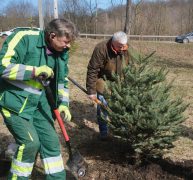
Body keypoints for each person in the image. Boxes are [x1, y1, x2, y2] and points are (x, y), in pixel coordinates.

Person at [0, 18, 78, 179]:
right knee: (30, 144)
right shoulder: (24, 37)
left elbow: (62, 81)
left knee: (51, 144)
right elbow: (2, 66)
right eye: (66, 41)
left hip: (41, 105)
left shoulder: (62, 53)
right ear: (52, 35)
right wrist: (34, 71)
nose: (68, 46)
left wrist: (63, 103)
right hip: (16, 104)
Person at [86, 31, 129, 140]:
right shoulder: (101, 48)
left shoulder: (126, 47)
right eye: (120, 46)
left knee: (122, 109)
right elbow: (93, 69)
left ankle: (123, 134)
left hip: (122, 82)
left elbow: (134, 65)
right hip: (104, 81)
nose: (123, 48)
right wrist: (91, 91)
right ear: (113, 42)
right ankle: (104, 134)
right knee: (103, 108)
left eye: (124, 46)